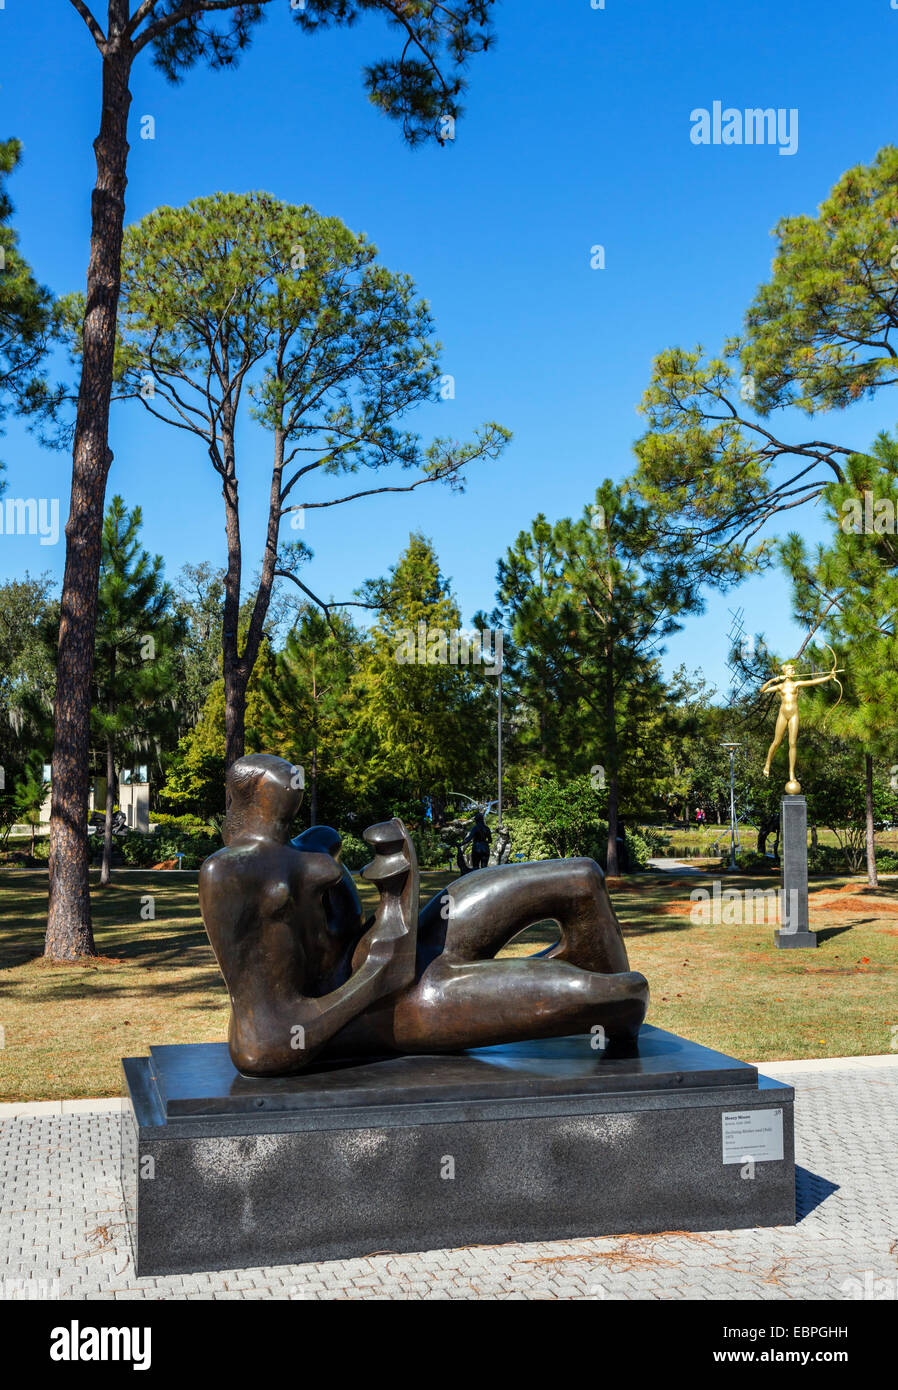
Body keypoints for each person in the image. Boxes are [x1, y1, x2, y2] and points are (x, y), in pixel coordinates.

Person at [200, 754, 649, 1076]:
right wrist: (377, 978)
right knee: (609, 991)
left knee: (581, 878)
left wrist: (394, 899)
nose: (290, 778)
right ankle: (615, 1005)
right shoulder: (228, 874)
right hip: (367, 1008)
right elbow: (266, 1045)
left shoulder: (313, 844)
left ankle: (619, 1021)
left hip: (381, 955)